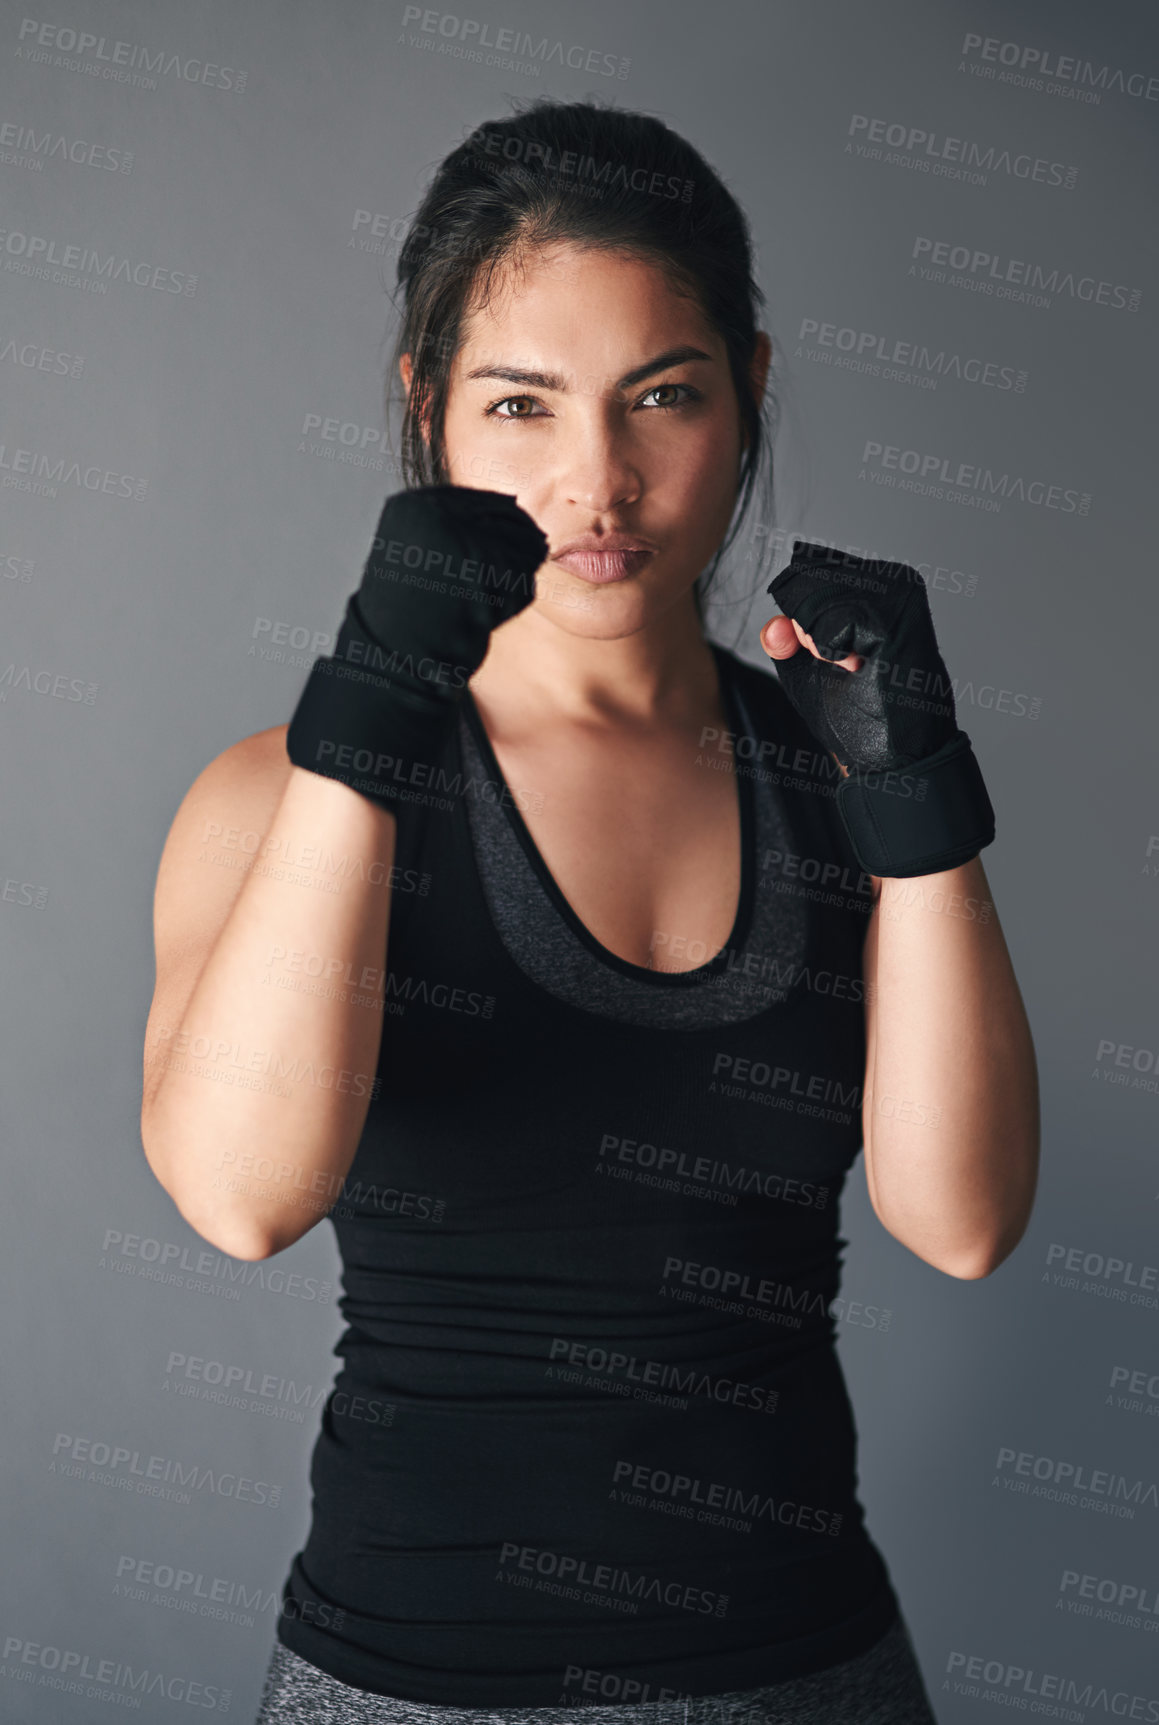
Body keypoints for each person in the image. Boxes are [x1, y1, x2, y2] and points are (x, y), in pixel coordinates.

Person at [140, 97, 1039, 1724]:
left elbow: (963, 1220)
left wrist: (923, 815)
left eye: (663, 398)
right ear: (427, 412)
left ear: (750, 391)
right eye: (521, 406)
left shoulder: (845, 785)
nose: (597, 481)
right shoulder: (271, 791)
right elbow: (239, 1196)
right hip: (413, 1683)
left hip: (811, 1669)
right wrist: (367, 732)